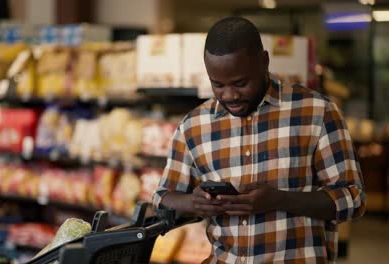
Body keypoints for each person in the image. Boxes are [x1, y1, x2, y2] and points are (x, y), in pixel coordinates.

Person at [153, 17, 365, 264]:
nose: (229, 95)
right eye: (217, 85)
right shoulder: (193, 126)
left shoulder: (317, 112)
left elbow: (353, 199)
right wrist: (194, 202)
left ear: (264, 61)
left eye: (241, 83)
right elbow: (162, 199)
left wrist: (280, 199)